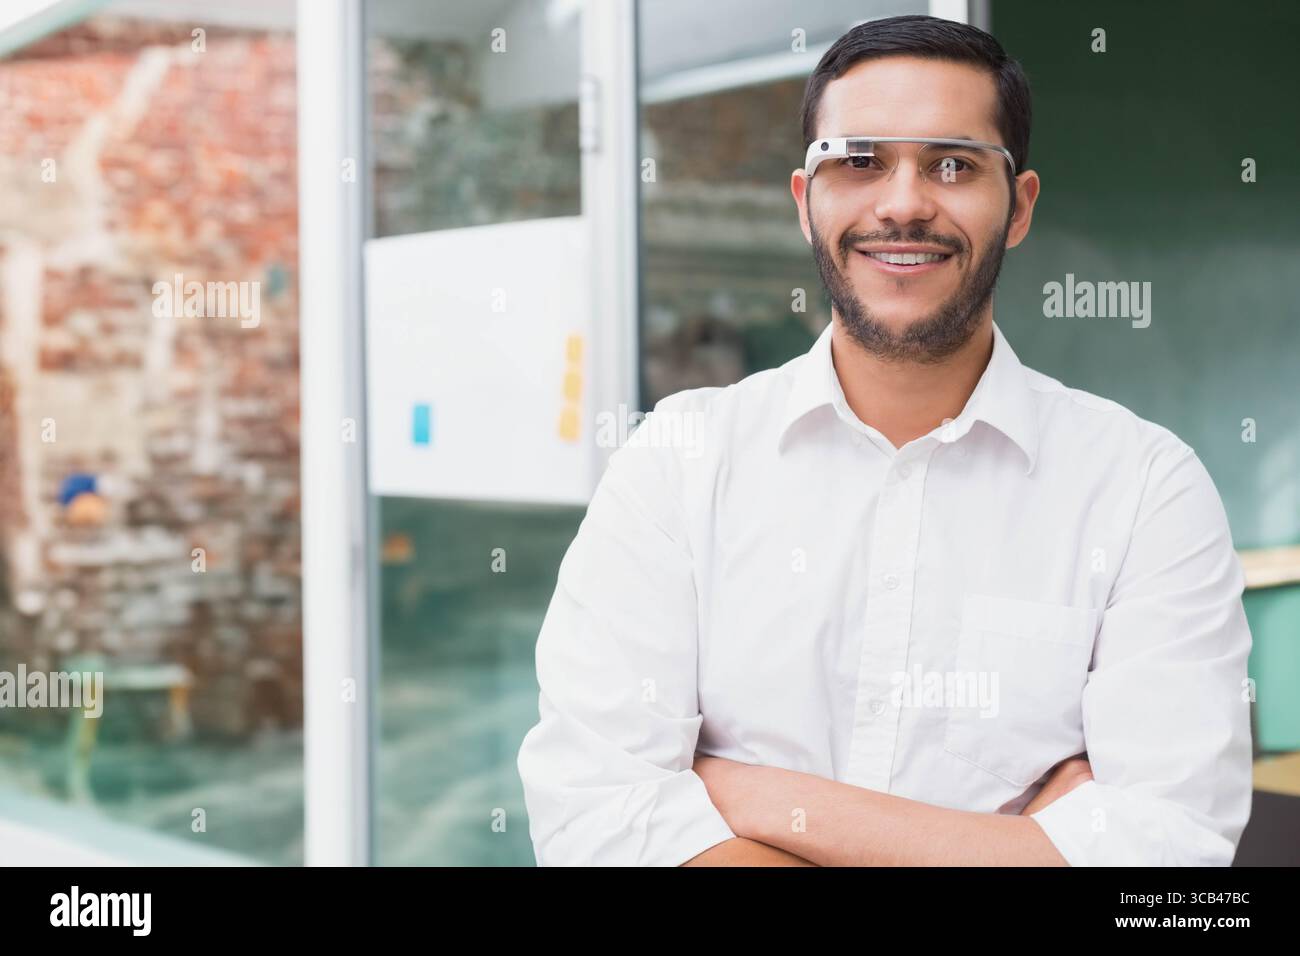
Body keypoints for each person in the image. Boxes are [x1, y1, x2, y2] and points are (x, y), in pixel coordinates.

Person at [516, 14, 1252, 866]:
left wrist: (755, 794)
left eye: (954, 164)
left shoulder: (1144, 489)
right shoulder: (678, 463)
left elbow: (1172, 866)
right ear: (806, 202)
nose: (903, 203)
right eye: (858, 161)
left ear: (1018, 207)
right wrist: (1016, 847)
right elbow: (595, 826)